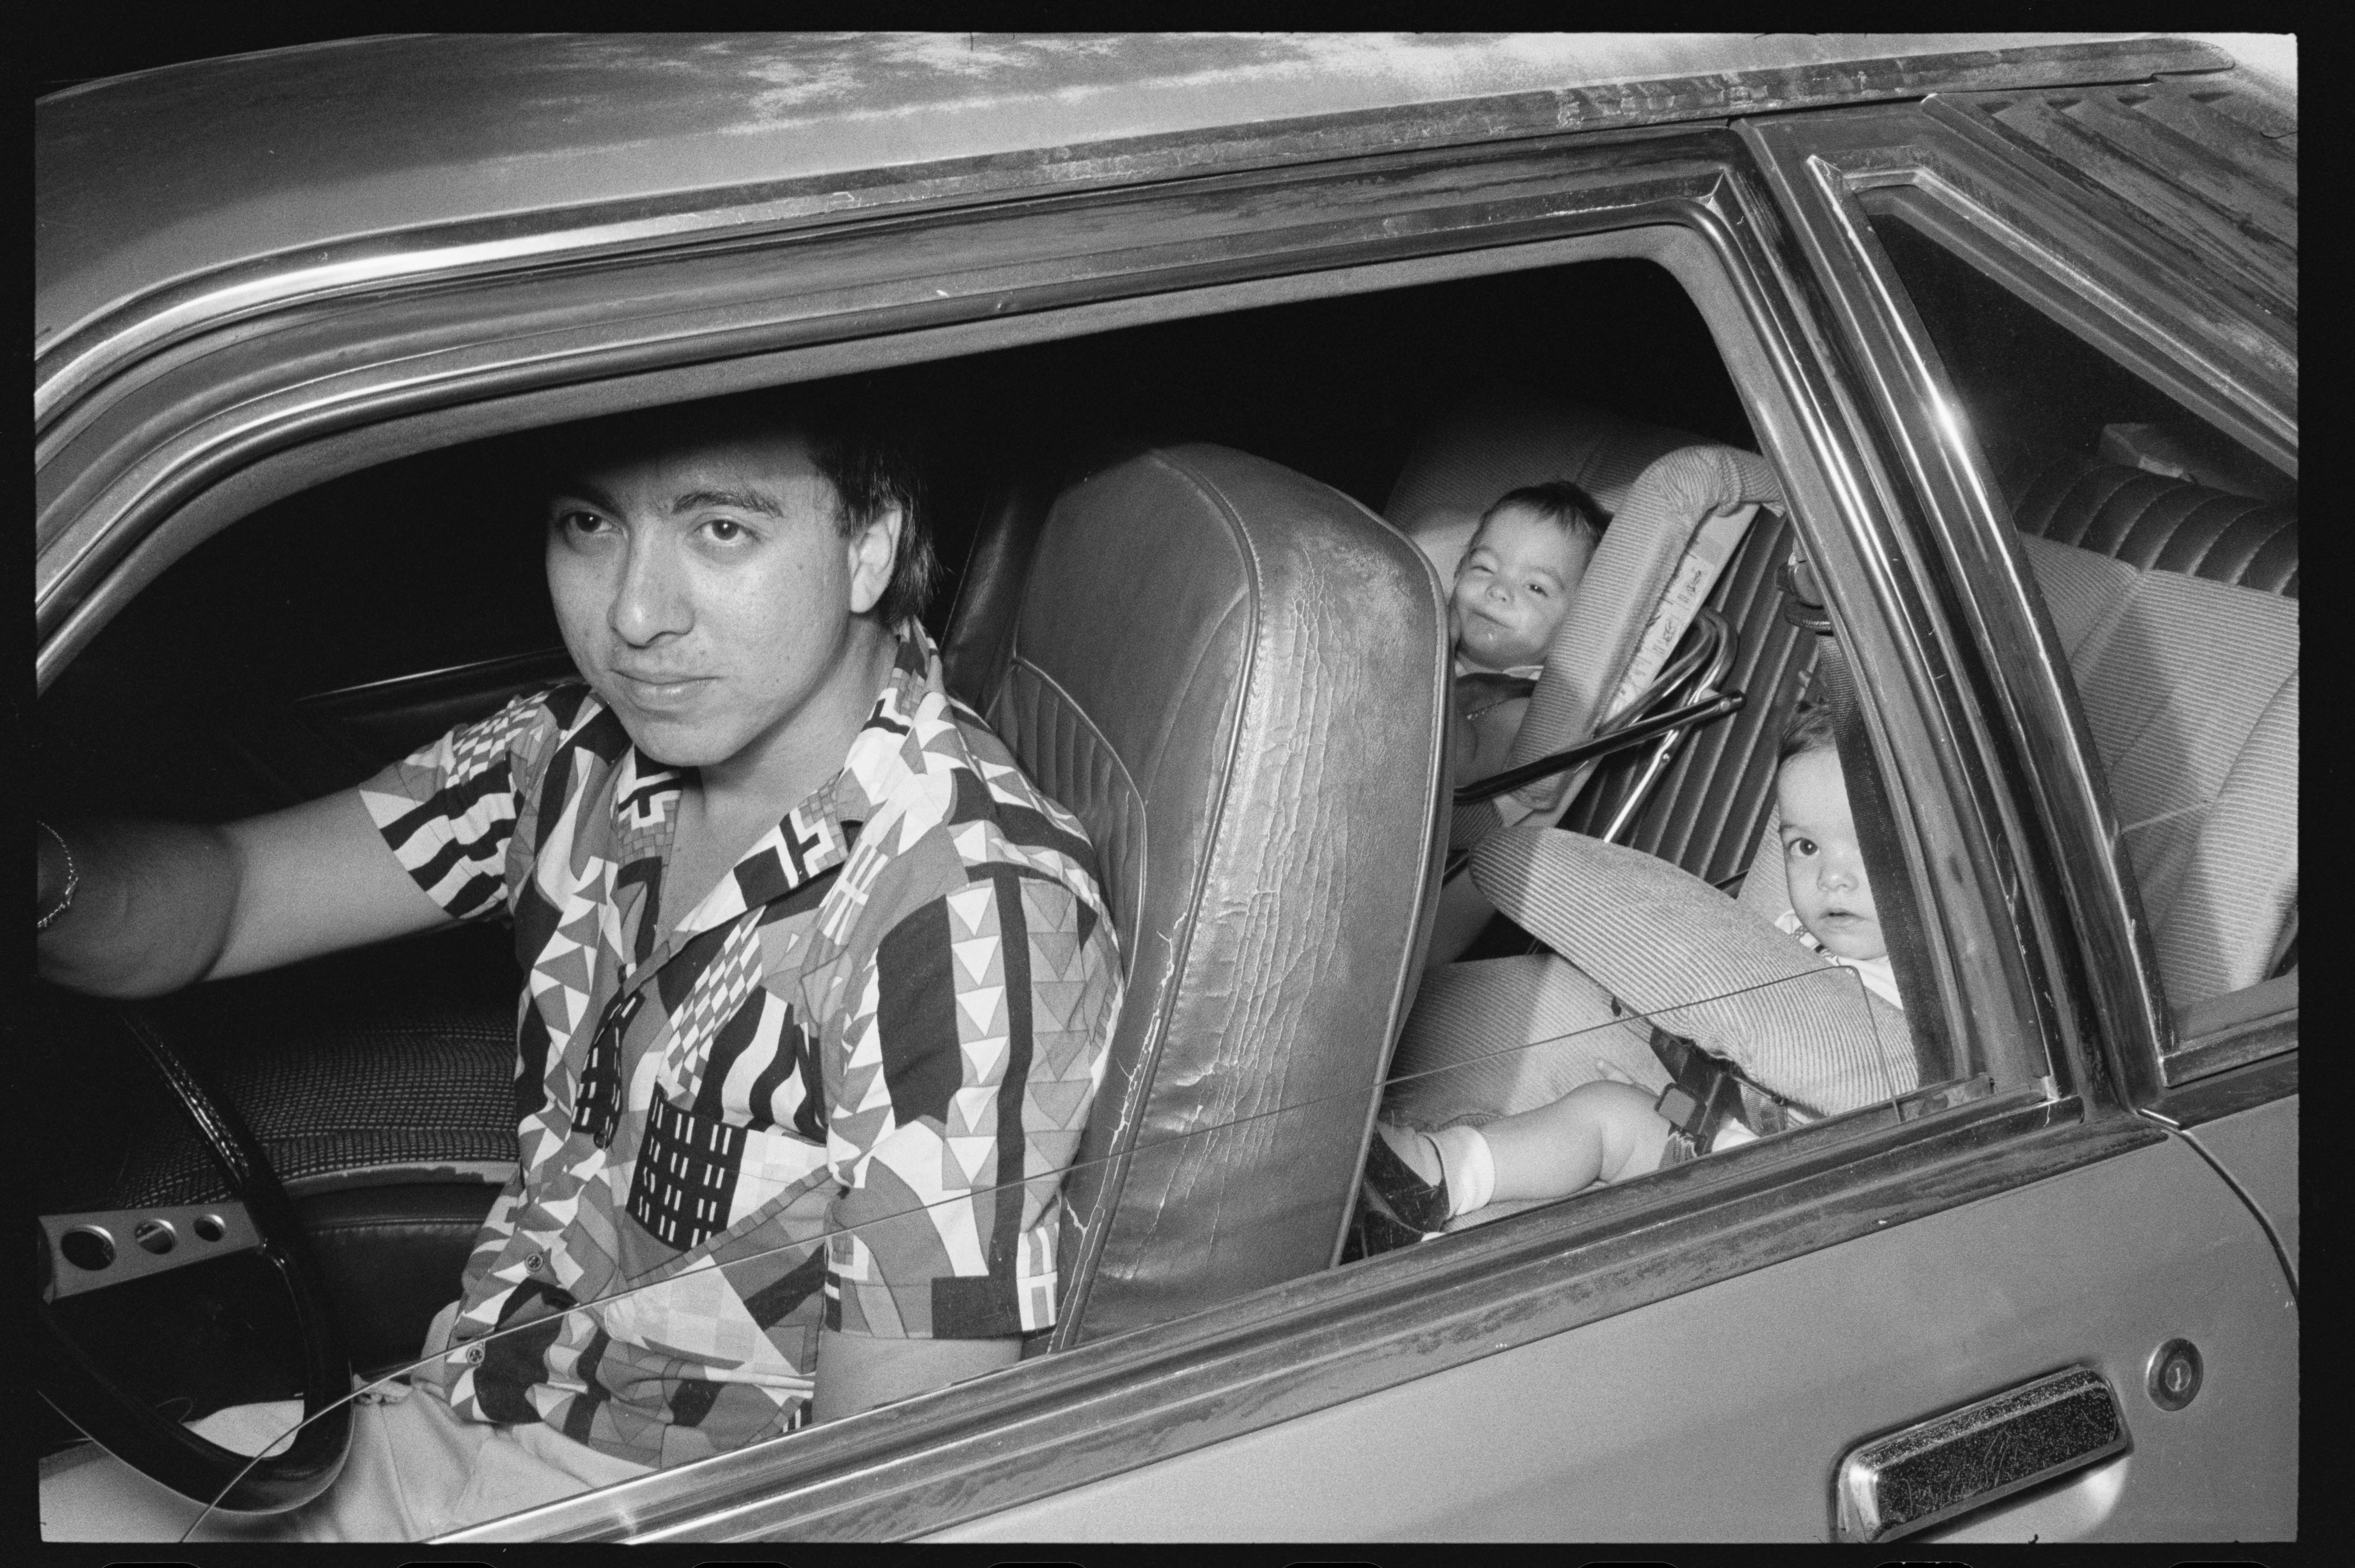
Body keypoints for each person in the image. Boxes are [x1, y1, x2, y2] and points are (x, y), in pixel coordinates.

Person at [35, 386, 1125, 1540]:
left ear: (870, 547)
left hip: (664, 1505)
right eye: (589, 524)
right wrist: (46, 875)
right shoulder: (570, 759)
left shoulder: (959, 913)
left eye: (721, 529)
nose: (635, 614)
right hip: (466, 1406)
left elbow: (885, 1493)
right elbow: (228, 895)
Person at [1363, 698, 1894, 1232]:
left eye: (1870, 843)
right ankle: (1418, 1198)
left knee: (1606, 1117)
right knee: (1610, 1105)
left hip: (1770, 1176)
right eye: (1805, 847)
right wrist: (1679, 1100)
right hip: (1712, 1117)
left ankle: (1441, 1174)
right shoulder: (1791, 931)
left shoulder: (1907, 992)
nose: (1830, 878)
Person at [1446, 481, 1601, 785]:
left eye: (1536, 587)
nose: (1499, 590)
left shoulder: (1523, 708)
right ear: (1458, 572)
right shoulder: (1417, 624)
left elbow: (1461, 769)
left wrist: (1431, 660)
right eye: (1484, 568)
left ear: (1576, 625)